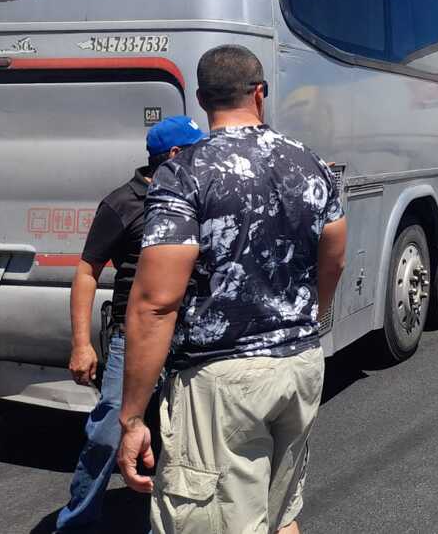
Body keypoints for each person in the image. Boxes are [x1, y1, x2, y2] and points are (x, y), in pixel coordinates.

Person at [118, 45, 348, 534]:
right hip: (300, 366)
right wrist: (307, 321)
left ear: (201, 99)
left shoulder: (183, 174)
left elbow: (156, 304)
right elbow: (335, 258)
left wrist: (133, 416)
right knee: (282, 515)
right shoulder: (312, 164)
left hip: (221, 378)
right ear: (260, 93)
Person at [56, 116, 207, 532]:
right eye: (198, 149)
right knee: (108, 432)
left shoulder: (201, 196)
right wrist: (81, 344)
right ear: (175, 155)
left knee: (186, 437)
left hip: (190, 336)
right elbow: (87, 271)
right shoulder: (122, 203)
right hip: (134, 337)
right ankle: (77, 524)